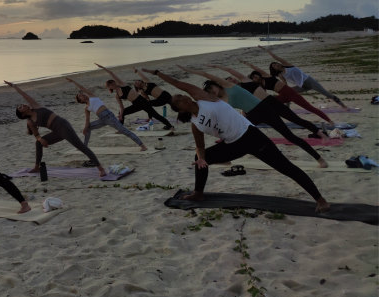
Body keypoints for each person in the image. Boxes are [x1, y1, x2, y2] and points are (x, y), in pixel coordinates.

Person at [140, 68, 330, 213]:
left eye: (181, 95)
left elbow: (178, 83)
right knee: (200, 158)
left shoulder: (204, 98)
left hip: (251, 136)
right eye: (178, 99)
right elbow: (200, 145)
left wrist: (157, 73)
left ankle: (320, 199)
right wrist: (201, 158)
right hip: (233, 145)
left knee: (285, 167)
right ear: (180, 109)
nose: (181, 96)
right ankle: (198, 193)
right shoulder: (195, 123)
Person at [178, 66, 328, 168]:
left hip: (265, 109)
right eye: (209, 91)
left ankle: (319, 158)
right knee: (231, 135)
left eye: (212, 88)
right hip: (252, 115)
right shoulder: (220, 101)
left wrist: (191, 70)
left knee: (289, 136)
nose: (212, 91)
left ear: (217, 85)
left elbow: (208, 75)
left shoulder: (230, 86)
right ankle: (225, 158)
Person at [4, 80, 107, 177]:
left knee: (81, 147)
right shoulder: (30, 122)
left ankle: (100, 168)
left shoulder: (35, 106)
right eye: (21, 107)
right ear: (22, 114)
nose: (23, 105)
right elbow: (36, 135)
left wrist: (14, 86)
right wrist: (41, 139)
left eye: (22, 105)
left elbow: (24, 94)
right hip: (57, 131)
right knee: (38, 143)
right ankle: (36, 167)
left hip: (63, 126)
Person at [239, 59, 334, 123]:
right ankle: (248, 116)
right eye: (253, 78)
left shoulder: (265, 75)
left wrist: (246, 63)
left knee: (309, 108)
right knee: (265, 104)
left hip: (290, 92)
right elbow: (259, 93)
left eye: (256, 76)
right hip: (282, 95)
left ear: (258, 75)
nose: (255, 77)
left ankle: (329, 121)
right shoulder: (260, 85)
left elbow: (255, 68)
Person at [64, 77, 147, 151]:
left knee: (124, 131)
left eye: (82, 94)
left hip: (109, 117)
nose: (82, 95)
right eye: (80, 96)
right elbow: (87, 120)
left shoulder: (92, 96)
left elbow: (81, 87)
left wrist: (73, 81)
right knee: (88, 127)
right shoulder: (86, 108)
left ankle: (142, 145)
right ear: (80, 100)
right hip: (102, 119)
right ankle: (84, 146)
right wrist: (85, 128)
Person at [260, 45, 348, 110]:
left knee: (326, 94)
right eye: (274, 66)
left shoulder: (287, 65)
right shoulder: (280, 75)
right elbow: (284, 84)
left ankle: (343, 105)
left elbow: (276, 57)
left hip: (309, 81)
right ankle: (287, 108)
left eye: (275, 63)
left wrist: (266, 50)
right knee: (287, 93)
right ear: (274, 69)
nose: (276, 65)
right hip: (301, 86)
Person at [95, 63, 174, 130]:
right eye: (111, 85)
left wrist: (102, 67)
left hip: (142, 101)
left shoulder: (123, 85)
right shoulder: (117, 96)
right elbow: (121, 107)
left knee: (156, 115)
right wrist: (121, 115)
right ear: (110, 87)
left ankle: (169, 126)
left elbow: (111, 73)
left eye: (113, 83)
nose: (113, 84)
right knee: (122, 112)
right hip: (135, 104)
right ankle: (120, 128)